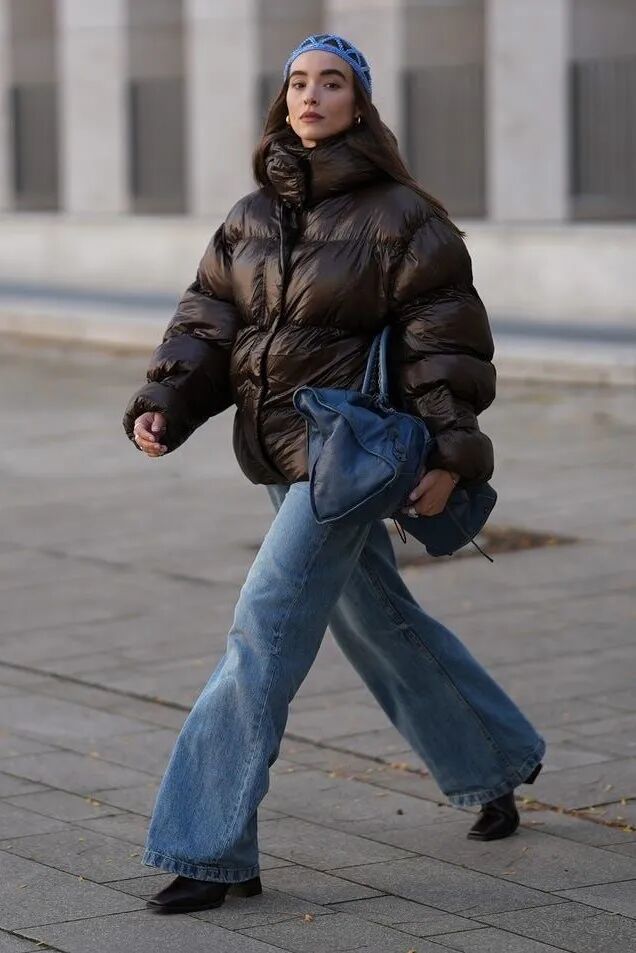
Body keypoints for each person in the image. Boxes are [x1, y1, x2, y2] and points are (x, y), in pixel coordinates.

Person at [123, 33, 546, 916]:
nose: (311, 96)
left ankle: (209, 846)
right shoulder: (250, 215)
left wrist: (448, 454)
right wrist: (164, 401)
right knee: (379, 618)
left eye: (333, 83)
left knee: (261, 631)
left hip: (350, 458)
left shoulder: (404, 217)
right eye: (299, 83)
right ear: (283, 100)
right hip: (277, 454)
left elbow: (445, 344)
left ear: (360, 103)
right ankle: (493, 759)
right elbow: (206, 324)